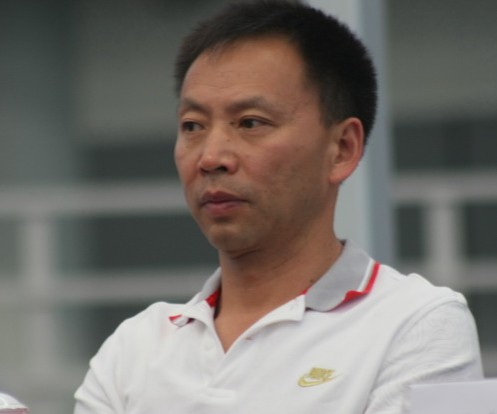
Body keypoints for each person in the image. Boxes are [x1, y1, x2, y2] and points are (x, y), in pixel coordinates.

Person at [74, 1, 483, 413]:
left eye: (250, 122)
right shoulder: (134, 348)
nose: (211, 157)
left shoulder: (417, 323)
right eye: (192, 126)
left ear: (342, 149)